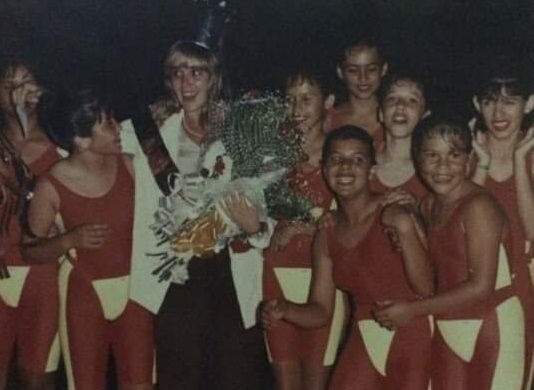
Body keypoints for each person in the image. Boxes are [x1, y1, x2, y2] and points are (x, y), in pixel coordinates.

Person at [121, 40, 272, 390]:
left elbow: (264, 210)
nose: (186, 82)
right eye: (178, 73)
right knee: (180, 375)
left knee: (235, 375)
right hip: (175, 271)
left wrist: (256, 228)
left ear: (213, 77)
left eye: (197, 72)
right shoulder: (147, 132)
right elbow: (85, 143)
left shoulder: (239, 131)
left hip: (230, 270)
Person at [263, 125, 434, 390]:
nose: (345, 168)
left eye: (357, 160)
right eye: (336, 159)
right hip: (365, 334)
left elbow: (427, 288)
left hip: (413, 337)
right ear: (324, 168)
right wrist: (285, 309)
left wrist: (405, 227)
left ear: (371, 171)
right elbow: (320, 311)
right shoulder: (327, 231)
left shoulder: (393, 215)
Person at [374, 118, 529, 390]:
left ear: (469, 160)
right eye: (432, 155)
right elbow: (431, 279)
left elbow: (481, 287)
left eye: (454, 155)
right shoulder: (428, 204)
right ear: (417, 160)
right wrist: (409, 230)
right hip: (448, 327)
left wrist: (411, 310)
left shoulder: (478, 207)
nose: (442, 166)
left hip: (492, 327)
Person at [21, 89, 154, 390]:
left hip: (135, 292)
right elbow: (30, 251)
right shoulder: (51, 185)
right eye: (108, 124)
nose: (119, 127)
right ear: (80, 139)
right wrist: (68, 240)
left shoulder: (133, 166)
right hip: (83, 293)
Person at [263, 66, 344, 390]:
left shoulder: (342, 155)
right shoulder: (271, 155)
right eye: (290, 100)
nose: (297, 109)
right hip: (276, 277)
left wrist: (300, 228)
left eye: (306, 99)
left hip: (323, 284)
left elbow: (352, 225)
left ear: (328, 102)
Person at [0, 59, 62, 390]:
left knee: (37, 378)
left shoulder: (64, 147)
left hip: (43, 277)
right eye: (10, 85)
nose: (20, 91)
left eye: (27, 82)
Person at [471, 65, 534, 385]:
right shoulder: (464, 156)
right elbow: (457, 228)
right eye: (490, 101)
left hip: (522, 287)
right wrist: (480, 165)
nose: (498, 111)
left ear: (530, 104)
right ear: (476, 105)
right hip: (469, 286)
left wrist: (521, 162)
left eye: (510, 101)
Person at [370, 73, 429, 201]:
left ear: (424, 115)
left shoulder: (434, 169)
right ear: (380, 113)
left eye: (412, 100)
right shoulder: (362, 160)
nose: (400, 105)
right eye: (392, 98)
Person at [326, 37, 388, 148]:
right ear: (340, 72)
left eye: (371, 69)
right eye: (353, 70)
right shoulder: (328, 120)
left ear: (383, 69)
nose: (363, 78)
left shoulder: (394, 118)